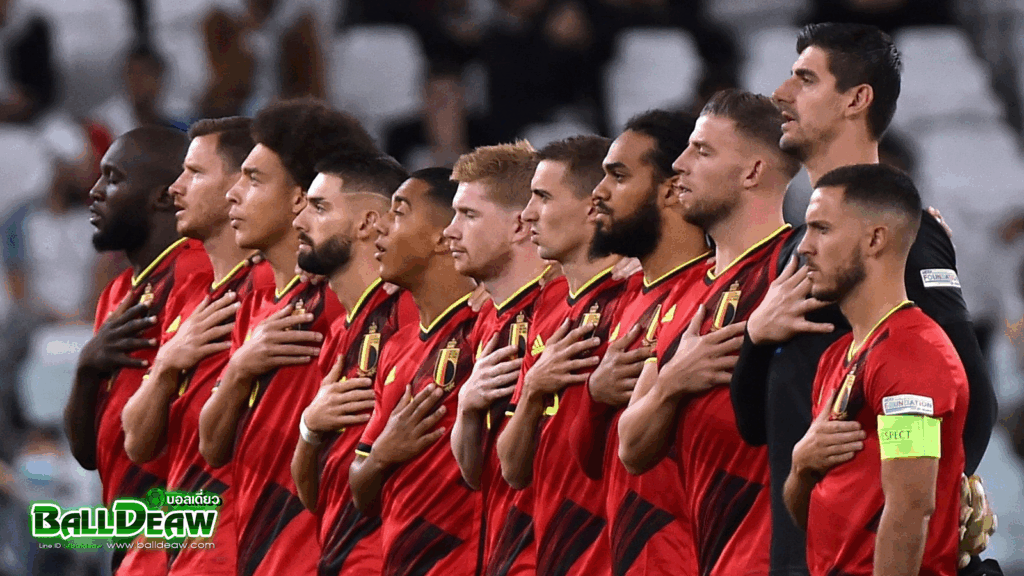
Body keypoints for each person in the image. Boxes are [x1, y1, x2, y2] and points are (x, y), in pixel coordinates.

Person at [731, 23, 997, 575]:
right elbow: (759, 426)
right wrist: (755, 338)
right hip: (800, 552)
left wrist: (922, 513)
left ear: (856, 100)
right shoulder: (797, 250)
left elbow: (970, 397)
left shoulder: (905, 236)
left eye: (805, 79)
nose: (780, 94)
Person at [617, 89, 801, 576]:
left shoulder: (796, 272)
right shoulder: (684, 291)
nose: (679, 165)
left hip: (777, 559)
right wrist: (674, 382)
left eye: (702, 151)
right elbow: (631, 448)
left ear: (752, 172)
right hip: (709, 558)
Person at [197, 98, 378, 576]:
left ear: (301, 198)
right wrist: (239, 369)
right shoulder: (256, 303)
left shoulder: (343, 304)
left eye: (254, 179)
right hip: (257, 556)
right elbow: (212, 449)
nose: (233, 194)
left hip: (317, 556)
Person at [783, 164, 967, 576]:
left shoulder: (913, 354)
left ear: (875, 239)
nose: (804, 247)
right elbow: (812, 521)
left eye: (822, 229)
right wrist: (800, 465)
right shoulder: (836, 357)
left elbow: (911, 510)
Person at [119, 116, 272, 576]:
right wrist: (166, 365)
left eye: (195, 173)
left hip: (238, 547)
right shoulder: (191, 297)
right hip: (181, 538)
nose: (175, 188)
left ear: (241, 185)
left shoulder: (272, 293)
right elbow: (137, 443)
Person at [569, 109, 709, 576]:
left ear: (670, 189)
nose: (599, 192)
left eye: (619, 176)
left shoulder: (714, 298)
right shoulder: (626, 299)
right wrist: (595, 395)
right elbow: (588, 463)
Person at [62, 126, 209, 573]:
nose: (94, 191)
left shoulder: (201, 274)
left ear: (164, 195)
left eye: (113, 178)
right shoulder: (118, 293)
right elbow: (89, 455)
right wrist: (86, 369)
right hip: (129, 531)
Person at [497, 134, 626, 576]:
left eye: (543, 197)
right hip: (554, 553)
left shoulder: (632, 298)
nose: (528, 213)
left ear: (592, 207)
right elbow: (513, 469)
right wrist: (533, 390)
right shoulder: (548, 305)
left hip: (611, 554)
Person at [348, 168, 481, 576]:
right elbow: (361, 493)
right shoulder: (396, 346)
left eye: (400, 212)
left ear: (443, 237)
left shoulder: (486, 330)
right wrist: (383, 454)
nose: (381, 226)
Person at [288, 152, 416, 576]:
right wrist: (310, 427)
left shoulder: (409, 314)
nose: (299, 221)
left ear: (368, 223)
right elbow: (313, 497)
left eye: (319, 207)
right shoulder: (340, 331)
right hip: (335, 558)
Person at [445, 141, 549, 575]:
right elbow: (475, 474)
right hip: (500, 554)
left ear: (519, 225)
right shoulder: (488, 317)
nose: (450, 231)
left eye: (468, 215)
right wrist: (467, 409)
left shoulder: (565, 310)